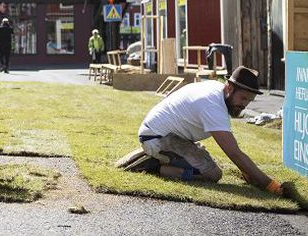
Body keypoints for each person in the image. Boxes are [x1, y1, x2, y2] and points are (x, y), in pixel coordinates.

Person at [117, 66, 286, 196]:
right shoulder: (212, 105)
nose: (244, 105)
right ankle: (154, 166)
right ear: (229, 88)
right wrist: (270, 185)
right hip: (159, 137)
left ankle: (158, 155)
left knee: (210, 168)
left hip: (163, 134)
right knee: (212, 174)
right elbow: (234, 153)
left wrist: (248, 172)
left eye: (249, 101)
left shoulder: (216, 90)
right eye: (243, 98)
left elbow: (232, 147)